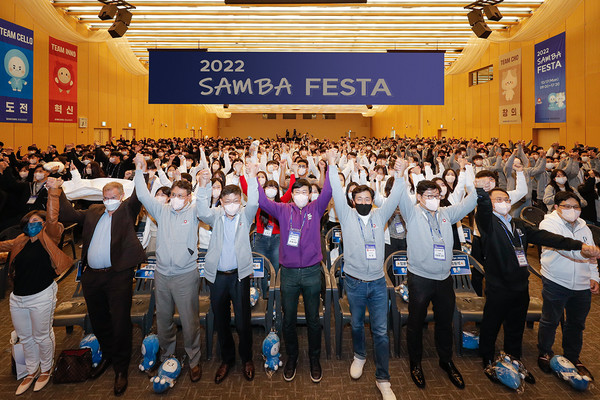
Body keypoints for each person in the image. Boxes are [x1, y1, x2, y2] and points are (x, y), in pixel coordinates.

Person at [475, 186, 600, 383]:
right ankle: (488, 358)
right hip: (498, 286)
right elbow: (482, 208)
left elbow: (547, 238)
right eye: (498, 199)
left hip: (520, 285)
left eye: (506, 199)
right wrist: (481, 192)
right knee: (491, 324)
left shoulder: (518, 224)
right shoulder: (487, 223)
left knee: (516, 327)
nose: (504, 202)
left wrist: (578, 245)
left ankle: (514, 359)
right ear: (490, 203)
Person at [57, 178, 146, 396]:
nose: (108, 201)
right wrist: (57, 190)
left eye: (113, 198)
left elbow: (138, 197)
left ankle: (121, 367)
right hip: (92, 277)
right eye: (105, 198)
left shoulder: (126, 210)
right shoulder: (93, 211)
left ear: (121, 197)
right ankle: (107, 354)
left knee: (119, 320)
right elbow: (68, 215)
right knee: (99, 319)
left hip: (117, 276)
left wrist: (141, 171)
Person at [328, 150, 404, 400]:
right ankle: (359, 354)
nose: (362, 200)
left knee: (381, 331)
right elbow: (337, 191)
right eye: (358, 197)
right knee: (358, 324)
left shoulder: (380, 215)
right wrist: (330, 163)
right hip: (354, 282)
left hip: (378, 284)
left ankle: (384, 379)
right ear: (352, 201)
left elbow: (394, 199)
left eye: (367, 197)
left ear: (372, 200)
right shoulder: (347, 215)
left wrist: (399, 174)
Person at [396, 178, 477, 389]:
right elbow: (400, 195)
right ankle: (415, 362)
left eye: (437, 195)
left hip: (444, 279)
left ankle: (446, 360)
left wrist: (477, 187)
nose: (434, 200)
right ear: (420, 198)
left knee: (444, 321)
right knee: (415, 323)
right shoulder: (412, 213)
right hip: (420, 278)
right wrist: (399, 174)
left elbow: (468, 204)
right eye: (429, 196)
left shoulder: (446, 214)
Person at [257, 169, 332, 383]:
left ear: (310, 194)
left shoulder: (316, 208)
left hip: (310, 272)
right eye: (296, 191)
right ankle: (292, 357)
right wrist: (252, 176)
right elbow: (262, 201)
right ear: (291, 194)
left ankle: (314, 359)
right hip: (288, 273)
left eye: (304, 191)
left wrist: (330, 166)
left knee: (313, 319)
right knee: (288, 319)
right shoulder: (282, 209)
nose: (300, 194)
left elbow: (328, 190)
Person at [133, 154, 203, 383]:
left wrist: (205, 184)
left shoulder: (193, 212)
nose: (175, 199)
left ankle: (193, 359)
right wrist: (140, 171)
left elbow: (204, 203)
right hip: (162, 274)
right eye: (173, 195)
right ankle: (167, 356)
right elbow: (142, 194)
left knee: (190, 320)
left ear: (188, 198)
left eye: (180, 196)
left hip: (185, 275)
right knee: (163, 319)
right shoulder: (162, 210)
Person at [0, 177, 73, 395]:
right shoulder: (20, 240)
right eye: (29, 222)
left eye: (36, 222)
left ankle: (46, 369)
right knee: (26, 337)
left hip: (41, 294)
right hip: (18, 298)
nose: (32, 225)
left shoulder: (50, 237)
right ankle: (31, 370)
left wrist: (53, 192)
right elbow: (4, 246)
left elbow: (52, 218)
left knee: (42, 335)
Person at [196, 165, 259, 384]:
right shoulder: (216, 216)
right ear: (221, 202)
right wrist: (203, 186)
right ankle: (227, 359)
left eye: (235, 200)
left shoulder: (245, 215)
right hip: (218, 277)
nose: (231, 205)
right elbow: (201, 212)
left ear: (240, 200)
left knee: (242, 322)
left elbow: (254, 203)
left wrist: (251, 178)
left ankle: (247, 359)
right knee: (221, 321)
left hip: (239, 276)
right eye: (227, 201)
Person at [537, 191, 600, 380]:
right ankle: (544, 352)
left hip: (581, 284)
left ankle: (573, 357)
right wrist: (588, 253)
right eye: (567, 206)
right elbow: (564, 249)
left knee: (576, 324)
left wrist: (595, 276)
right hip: (556, 280)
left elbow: (593, 257)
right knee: (550, 320)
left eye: (576, 207)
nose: (573, 211)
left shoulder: (584, 227)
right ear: (557, 207)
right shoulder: (548, 224)